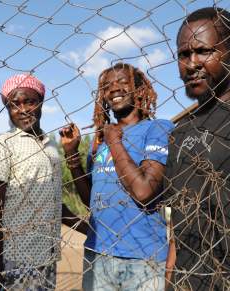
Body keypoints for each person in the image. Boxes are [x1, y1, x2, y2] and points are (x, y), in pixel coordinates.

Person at [60, 63, 174, 290]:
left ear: (140, 89)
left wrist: (115, 141)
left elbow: (144, 192)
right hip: (97, 252)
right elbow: (90, 200)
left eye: (123, 82)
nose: (113, 89)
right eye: (107, 86)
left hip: (143, 256)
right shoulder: (100, 141)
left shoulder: (157, 129)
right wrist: (72, 153)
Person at [164, 7, 230, 290]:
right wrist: (170, 280)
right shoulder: (180, 132)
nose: (191, 64)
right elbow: (179, 225)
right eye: (183, 54)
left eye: (204, 51)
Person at [0, 74, 62, 290]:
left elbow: (54, 200)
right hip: (15, 258)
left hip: (47, 255)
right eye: (15, 104)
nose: (23, 109)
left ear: (41, 103)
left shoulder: (51, 148)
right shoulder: (4, 143)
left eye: (30, 101)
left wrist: (89, 226)